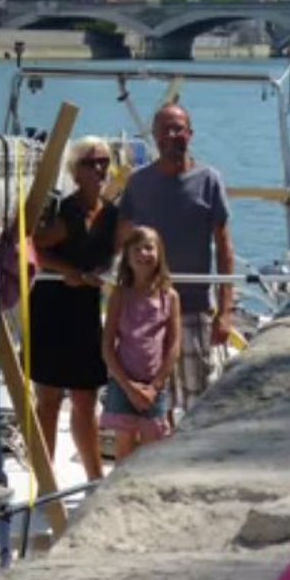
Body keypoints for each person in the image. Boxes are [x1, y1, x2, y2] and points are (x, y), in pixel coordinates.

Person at [118, 101, 234, 414]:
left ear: (190, 134)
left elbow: (224, 248)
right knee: (155, 403)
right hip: (148, 310)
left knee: (198, 399)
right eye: (165, 129)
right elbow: (121, 241)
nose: (172, 135)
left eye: (178, 128)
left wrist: (225, 310)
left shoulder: (209, 180)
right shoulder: (138, 183)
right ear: (154, 136)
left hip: (194, 308)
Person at [30, 136, 118, 482]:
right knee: (48, 398)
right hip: (52, 308)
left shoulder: (111, 214)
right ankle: (44, 479)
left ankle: (94, 479)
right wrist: (70, 272)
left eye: (104, 162)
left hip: (85, 310)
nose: (99, 168)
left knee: (85, 398)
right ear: (75, 171)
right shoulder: (64, 213)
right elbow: (34, 246)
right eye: (91, 162)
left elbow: (121, 250)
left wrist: (102, 274)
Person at [100, 226, 181, 462]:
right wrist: (128, 387)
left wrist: (154, 387)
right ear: (127, 255)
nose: (143, 254)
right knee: (123, 451)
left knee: (152, 451)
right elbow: (107, 345)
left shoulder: (170, 297)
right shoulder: (120, 295)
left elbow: (174, 345)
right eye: (137, 249)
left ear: (159, 253)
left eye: (149, 248)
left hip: (154, 385)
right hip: (124, 383)